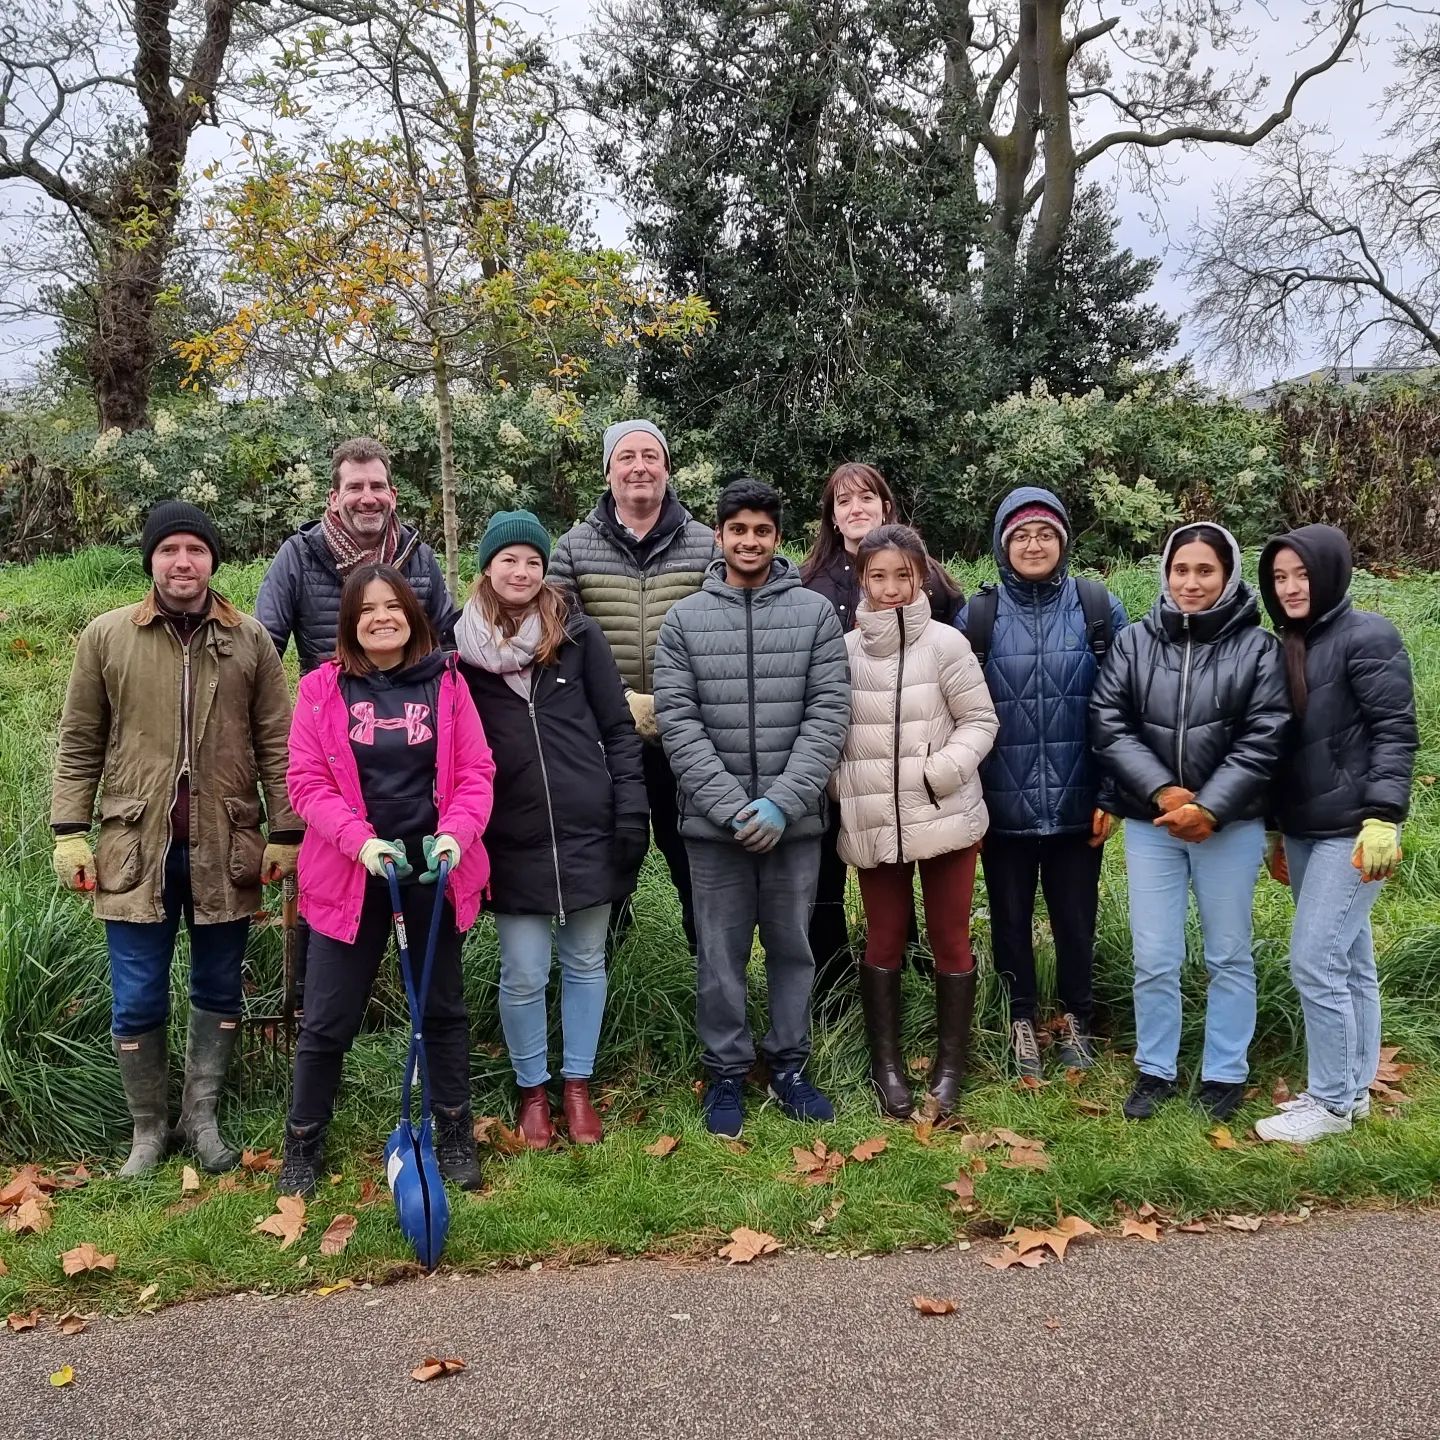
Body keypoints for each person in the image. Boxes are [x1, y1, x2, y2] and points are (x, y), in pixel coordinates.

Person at [50, 501, 302, 1176]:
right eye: (170, 551)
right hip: (135, 847)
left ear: (214, 561)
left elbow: (278, 743)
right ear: (151, 561)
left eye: (195, 549)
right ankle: (147, 1131)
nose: (183, 562)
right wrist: (69, 830)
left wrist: (287, 830)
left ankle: (202, 1119)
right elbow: (79, 741)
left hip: (228, 846)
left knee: (220, 986)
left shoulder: (249, 639)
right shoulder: (106, 638)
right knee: (137, 994)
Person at [279, 566, 494, 1197]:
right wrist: (360, 841)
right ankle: (303, 1140)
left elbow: (477, 771)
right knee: (326, 1019)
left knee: (444, 1011)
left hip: (431, 870)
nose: (381, 617)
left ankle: (453, 1127)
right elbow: (306, 783)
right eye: (367, 608)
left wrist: (456, 832)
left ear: (413, 615)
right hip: (351, 876)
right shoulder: (322, 690)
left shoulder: (449, 684)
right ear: (350, 621)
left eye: (393, 606)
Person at [654, 479, 850, 1139]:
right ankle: (727, 1072)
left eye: (761, 531)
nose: (749, 541)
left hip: (793, 827)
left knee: (793, 948)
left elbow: (828, 715)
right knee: (719, 953)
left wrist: (781, 804)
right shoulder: (684, 620)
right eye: (738, 530)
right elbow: (678, 723)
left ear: (777, 538)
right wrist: (734, 806)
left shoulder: (815, 615)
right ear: (720, 536)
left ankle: (790, 1064)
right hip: (714, 830)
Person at [452, 511, 648, 1149]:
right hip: (510, 838)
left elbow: (619, 729)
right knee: (525, 971)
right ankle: (532, 1090)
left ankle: (577, 1085)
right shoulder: (461, 661)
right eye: (509, 559)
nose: (521, 571)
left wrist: (630, 809)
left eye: (533, 561)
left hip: (588, 828)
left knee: (587, 960)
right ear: (487, 568)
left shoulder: (578, 637)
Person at [1090, 523, 1290, 1121]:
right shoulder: (1134, 642)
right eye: (1181, 570)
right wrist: (1159, 791)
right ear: (1166, 573)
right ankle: (1157, 1069)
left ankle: (1224, 1072)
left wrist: (1210, 806)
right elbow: (1108, 721)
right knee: (1155, 954)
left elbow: (1266, 735)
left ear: (1227, 575)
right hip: (1154, 825)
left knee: (1228, 953)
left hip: (1228, 826)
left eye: (1205, 571)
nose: (1191, 583)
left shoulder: (1258, 648)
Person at [956, 487, 1128, 1080]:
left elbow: (1120, 708)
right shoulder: (978, 616)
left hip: (1080, 800)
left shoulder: (1097, 606)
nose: (1034, 545)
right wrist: (967, 802)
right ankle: (1021, 1020)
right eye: (1021, 535)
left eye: (1045, 535)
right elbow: (956, 717)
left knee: (1076, 917)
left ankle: (1078, 1018)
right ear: (1004, 545)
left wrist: (1110, 792)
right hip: (1001, 803)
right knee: (1008, 917)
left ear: (1063, 541)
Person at [1253, 526, 1417, 1144]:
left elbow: (1394, 732)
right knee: (1350, 961)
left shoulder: (1366, 635)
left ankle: (1330, 1102)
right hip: (1303, 828)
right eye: (1280, 578)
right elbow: (1280, 749)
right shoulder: (1288, 642)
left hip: (1352, 830)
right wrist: (1273, 831)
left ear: (1331, 573)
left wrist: (1384, 815)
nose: (1292, 588)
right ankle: (1354, 1093)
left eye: (1303, 575)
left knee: (1314, 959)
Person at [832, 526, 997, 1119]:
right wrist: (844, 789)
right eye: (880, 576)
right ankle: (887, 1066)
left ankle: (952, 1066)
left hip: (946, 814)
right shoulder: (844, 652)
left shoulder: (947, 645)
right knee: (884, 939)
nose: (893, 588)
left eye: (904, 575)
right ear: (863, 579)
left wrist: (941, 772)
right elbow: (830, 734)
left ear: (921, 577)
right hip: (876, 820)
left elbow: (980, 720)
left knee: (952, 938)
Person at [800, 462, 964, 1009]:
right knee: (829, 878)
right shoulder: (810, 585)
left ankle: (911, 976)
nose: (856, 508)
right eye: (842, 501)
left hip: (912, 763)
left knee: (908, 866)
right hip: (843, 759)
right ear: (831, 516)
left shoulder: (931, 580)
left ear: (886, 506)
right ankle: (832, 990)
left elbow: (955, 669)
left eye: (866, 497)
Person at [548, 420, 715, 951]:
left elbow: (722, 628)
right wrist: (619, 698)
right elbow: (558, 630)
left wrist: (674, 701)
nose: (639, 466)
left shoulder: (706, 543)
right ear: (608, 470)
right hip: (604, 736)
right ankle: (601, 975)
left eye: (650, 455)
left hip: (687, 734)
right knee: (609, 854)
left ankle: (710, 977)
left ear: (667, 468)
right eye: (626, 457)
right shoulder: (573, 547)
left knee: (693, 856)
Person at [257, 436, 457, 673]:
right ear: (334, 498)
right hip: (331, 699)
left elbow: (448, 643)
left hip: (410, 702)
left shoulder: (419, 556)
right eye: (354, 487)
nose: (368, 498)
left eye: (377, 486)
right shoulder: (298, 555)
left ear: (392, 496)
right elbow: (264, 648)